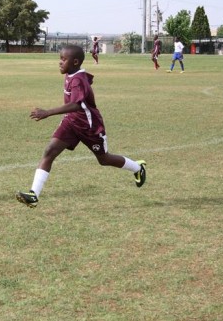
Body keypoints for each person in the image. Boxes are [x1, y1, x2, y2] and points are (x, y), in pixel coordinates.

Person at [16, 45, 147, 208]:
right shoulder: (73, 74)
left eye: (64, 60)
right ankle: (34, 194)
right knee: (50, 151)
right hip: (71, 122)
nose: (60, 63)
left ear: (75, 62)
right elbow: (86, 81)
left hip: (89, 126)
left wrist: (48, 112)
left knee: (104, 159)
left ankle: (137, 167)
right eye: (60, 59)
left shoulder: (78, 80)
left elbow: (76, 105)